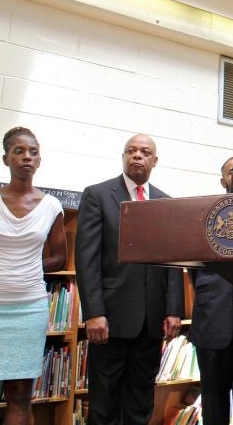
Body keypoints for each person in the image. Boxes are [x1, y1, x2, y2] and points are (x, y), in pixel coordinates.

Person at [75, 133, 185, 425]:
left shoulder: (165, 202)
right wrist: (94, 312)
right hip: (109, 320)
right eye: (131, 151)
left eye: (145, 152)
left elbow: (173, 260)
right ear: (123, 157)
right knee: (105, 403)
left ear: (155, 160)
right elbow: (87, 259)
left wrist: (174, 309)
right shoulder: (98, 195)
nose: (137, 155)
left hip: (151, 321)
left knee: (140, 403)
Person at [0, 127, 66, 425]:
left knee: (20, 394)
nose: (27, 157)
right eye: (19, 151)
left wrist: (24, 267)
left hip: (29, 308)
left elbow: (59, 257)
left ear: (39, 161)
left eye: (33, 152)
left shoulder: (52, 206)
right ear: (6, 159)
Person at [187, 156, 233, 425]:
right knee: (213, 406)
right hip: (211, 324)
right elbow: (194, 267)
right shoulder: (205, 215)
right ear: (222, 180)